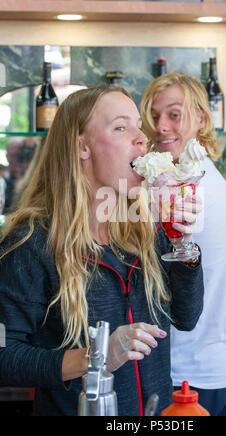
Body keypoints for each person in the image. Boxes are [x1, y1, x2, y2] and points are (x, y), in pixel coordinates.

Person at [0, 85, 204, 416]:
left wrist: (184, 244)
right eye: (121, 127)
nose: (142, 138)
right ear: (82, 147)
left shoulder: (147, 229)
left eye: (139, 125)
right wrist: (95, 356)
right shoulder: (32, 242)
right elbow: (4, 356)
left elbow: (187, 316)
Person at [141, 73, 226, 417]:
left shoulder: (187, 189)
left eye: (174, 114)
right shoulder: (201, 176)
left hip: (189, 374)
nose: (161, 126)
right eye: (154, 116)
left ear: (202, 118)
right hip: (214, 365)